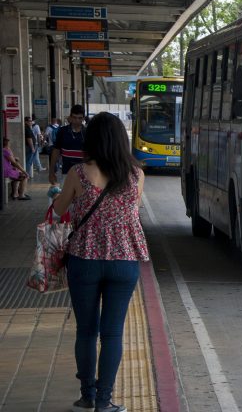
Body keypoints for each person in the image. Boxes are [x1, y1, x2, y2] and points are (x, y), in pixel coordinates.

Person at [52, 112, 148, 412]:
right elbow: (134, 208)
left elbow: (59, 210)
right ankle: (105, 402)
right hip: (124, 261)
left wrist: (58, 195)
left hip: (85, 260)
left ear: (91, 139)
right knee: (112, 332)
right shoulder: (136, 175)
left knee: (86, 330)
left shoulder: (78, 173)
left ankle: (87, 397)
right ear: (121, 140)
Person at [49, 104, 86, 187]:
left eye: (80, 118)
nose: (77, 120)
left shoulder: (88, 132)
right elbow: (56, 151)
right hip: (66, 172)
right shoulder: (63, 131)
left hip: (84, 174)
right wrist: (51, 172)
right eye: (74, 117)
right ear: (70, 117)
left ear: (83, 118)